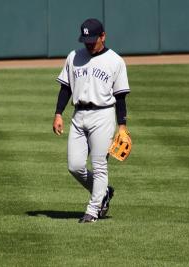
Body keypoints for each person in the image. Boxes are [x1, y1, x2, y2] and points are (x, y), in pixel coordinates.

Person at [52, 18, 130, 223]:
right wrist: (58, 113)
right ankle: (103, 192)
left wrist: (122, 127)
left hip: (102, 116)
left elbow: (120, 96)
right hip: (78, 115)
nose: (88, 43)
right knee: (74, 166)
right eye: (85, 39)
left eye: (93, 39)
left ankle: (93, 210)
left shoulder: (115, 61)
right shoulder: (74, 56)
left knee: (99, 165)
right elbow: (66, 87)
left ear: (103, 36)